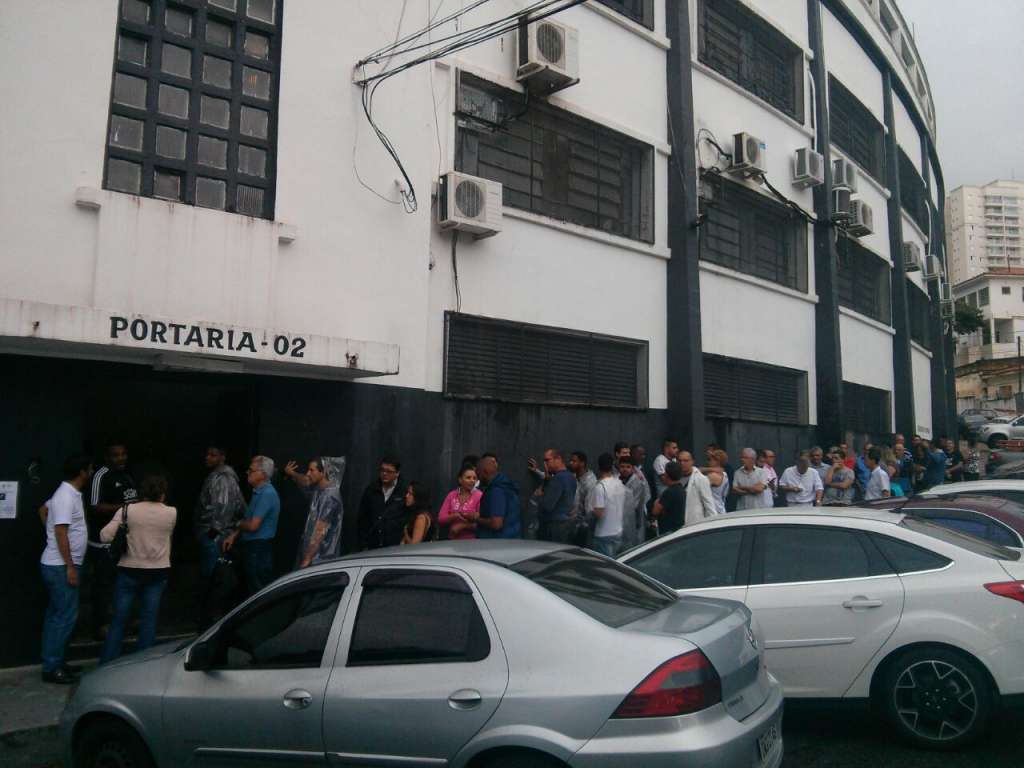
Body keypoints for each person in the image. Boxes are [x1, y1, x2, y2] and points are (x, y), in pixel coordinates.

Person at [98, 473, 176, 664]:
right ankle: (143, 664)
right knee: (149, 619)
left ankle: (108, 662)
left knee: (119, 619)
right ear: (163, 493)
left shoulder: (127, 510)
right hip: (158, 570)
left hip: (130, 569)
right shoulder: (171, 512)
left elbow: (104, 536)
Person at [39, 454, 93, 684]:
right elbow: (61, 532)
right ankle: (52, 667)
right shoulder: (65, 496)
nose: (91, 472)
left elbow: (43, 510)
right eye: (90, 469)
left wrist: (49, 532)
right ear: (82, 472)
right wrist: (70, 566)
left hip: (59, 564)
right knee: (65, 617)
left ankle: (56, 661)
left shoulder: (67, 494)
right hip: (60, 566)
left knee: (56, 616)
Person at [86, 441, 138, 639]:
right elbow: (95, 506)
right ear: (107, 457)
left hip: (125, 540)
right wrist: (125, 508)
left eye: (124, 454)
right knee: (103, 584)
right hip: (104, 543)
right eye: (116, 455)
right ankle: (102, 624)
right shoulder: (101, 475)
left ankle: (124, 621)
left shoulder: (127, 476)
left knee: (125, 583)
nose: (121, 458)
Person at [222, 455, 280, 595]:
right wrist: (233, 535)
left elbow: (253, 526)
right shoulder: (258, 492)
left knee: (258, 590)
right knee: (251, 587)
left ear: (263, 474)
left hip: (258, 549)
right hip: (253, 548)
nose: (247, 472)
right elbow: (248, 519)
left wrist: (236, 522)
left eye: (251, 470)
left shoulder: (267, 494)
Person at [194, 445, 245, 581]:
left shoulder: (223, 478)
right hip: (212, 533)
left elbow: (224, 506)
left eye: (213, 455)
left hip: (215, 535)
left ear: (222, 457)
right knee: (211, 573)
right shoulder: (216, 476)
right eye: (207, 454)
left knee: (214, 575)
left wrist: (214, 531)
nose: (208, 457)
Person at [286, 457, 345, 567]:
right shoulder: (318, 489)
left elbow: (320, 530)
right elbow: (305, 481)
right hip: (314, 555)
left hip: (322, 558)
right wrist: (292, 473)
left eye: (312, 470)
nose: (308, 474)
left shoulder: (330, 496)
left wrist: (307, 558)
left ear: (323, 472)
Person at [356, 455, 407, 550]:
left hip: (396, 548)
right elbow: (362, 519)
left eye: (389, 471)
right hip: (372, 546)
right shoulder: (371, 490)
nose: (384, 473)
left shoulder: (404, 492)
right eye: (382, 470)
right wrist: (363, 544)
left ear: (397, 473)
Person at [531, 449, 577, 544]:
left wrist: (539, 496)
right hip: (565, 525)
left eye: (547, 460)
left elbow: (547, 506)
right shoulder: (571, 477)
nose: (545, 464)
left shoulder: (558, 478)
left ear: (558, 459)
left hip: (553, 527)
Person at [476, 454, 521, 539]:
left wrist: (476, 519)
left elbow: (496, 524)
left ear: (485, 472)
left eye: (478, 474)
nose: (478, 479)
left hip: (497, 542)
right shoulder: (504, 486)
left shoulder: (497, 491)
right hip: (508, 540)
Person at [590, 453, 625, 556]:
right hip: (618, 531)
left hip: (603, 534)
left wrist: (591, 510)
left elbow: (599, 513)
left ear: (599, 467)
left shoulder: (600, 486)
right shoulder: (619, 483)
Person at [438, 466, 482, 540]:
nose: (472, 480)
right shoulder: (452, 495)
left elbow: (483, 523)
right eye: (468, 478)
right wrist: (455, 516)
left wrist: (463, 526)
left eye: (474, 478)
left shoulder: (479, 495)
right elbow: (441, 519)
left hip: (472, 542)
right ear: (460, 480)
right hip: (452, 541)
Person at [618, 454, 650, 550]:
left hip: (633, 521)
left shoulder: (638, 483)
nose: (625, 469)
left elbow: (634, 506)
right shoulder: (616, 480)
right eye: (622, 467)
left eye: (628, 467)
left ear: (632, 468)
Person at [568, 451, 597, 546]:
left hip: (582, 530)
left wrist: (581, 528)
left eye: (574, 461)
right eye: (571, 460)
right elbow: (558, 478)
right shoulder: (574, 476)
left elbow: (589, 510)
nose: (571, 463)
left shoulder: (590, 482)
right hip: (571, 525)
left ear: (582, 463)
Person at [651, 462, 686, 535]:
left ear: (667, 475)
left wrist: (656, 502)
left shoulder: (669, 492)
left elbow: (655, 511)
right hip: (679, 530)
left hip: (668, 532)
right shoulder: (682, 490)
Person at [704, 449, 730, 515]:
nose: (708, 462)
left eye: (710, 459)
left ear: (717, 461)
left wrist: (705, 469)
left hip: (713, 510)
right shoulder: (724, 474)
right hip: (721, 508)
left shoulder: (713, 476)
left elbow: (698, 485)